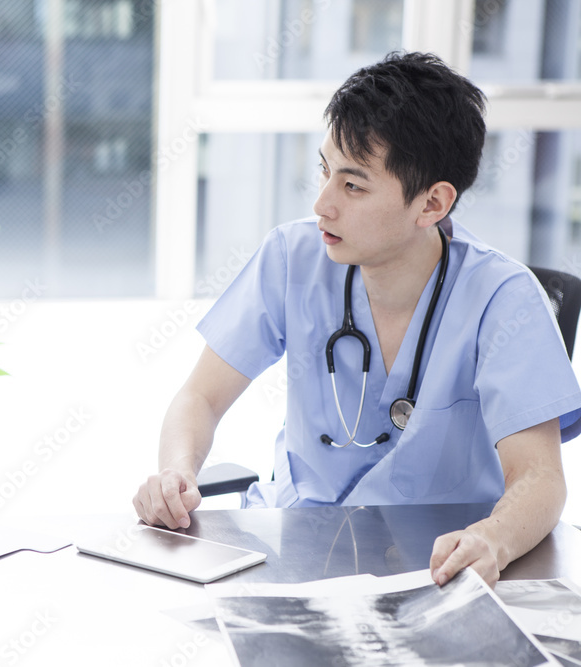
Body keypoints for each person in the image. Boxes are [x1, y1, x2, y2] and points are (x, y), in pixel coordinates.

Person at [133, 52, 581, 588]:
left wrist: (493, 538)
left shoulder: (504, 300)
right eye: (325, 171)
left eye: (353, 185)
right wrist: (176, 471)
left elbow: (539, 477)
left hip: (435, 570)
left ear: (433, 203)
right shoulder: (291, 259)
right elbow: (200, 397)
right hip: (294, 554)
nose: (323, 204)